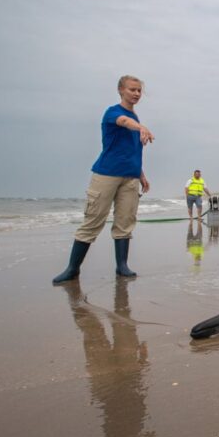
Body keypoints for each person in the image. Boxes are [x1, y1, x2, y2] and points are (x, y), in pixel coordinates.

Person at [53, 75, 154, 284]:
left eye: (139, 91)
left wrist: (142, 176)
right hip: (106, 175)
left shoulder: (136, 119)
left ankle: (122, 266)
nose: (136, 94)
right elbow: (123, 122)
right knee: (93, 221)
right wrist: (140, 127)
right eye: (132, 90)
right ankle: (72, 269)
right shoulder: (114, 113)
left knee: (125, 222)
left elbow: (131, 152)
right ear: (121, 90)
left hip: (131, 178)